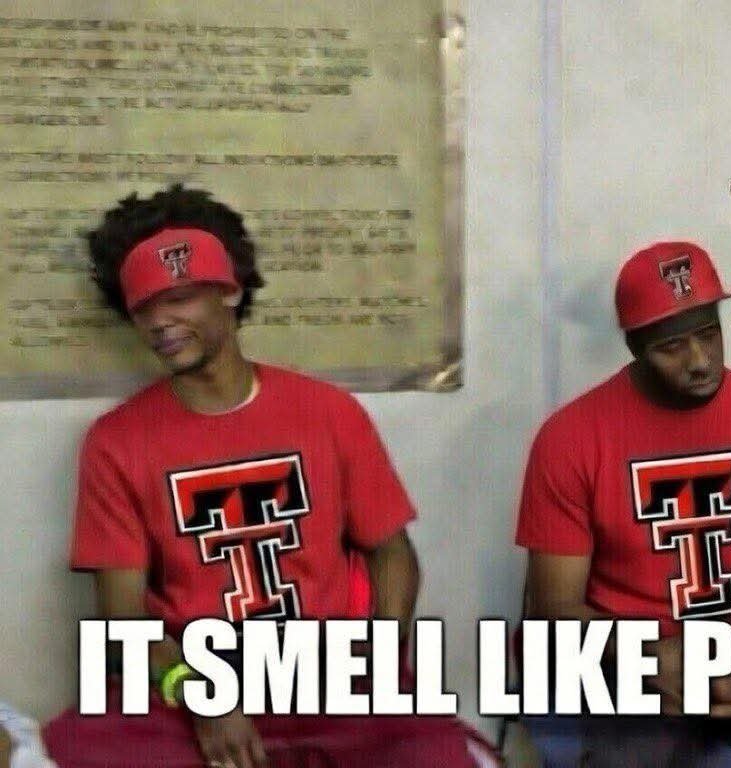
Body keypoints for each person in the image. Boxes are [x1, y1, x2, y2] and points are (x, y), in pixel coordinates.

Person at [42, 185, 485, 768]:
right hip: (198, 676)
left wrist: (379, 652)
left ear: (229, 291)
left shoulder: (328, 411)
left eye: (179, 298)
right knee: (70, 746)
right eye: (144, 308)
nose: (160, 322)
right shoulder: (116, 441)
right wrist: (202, 695)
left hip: (325, 666)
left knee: (439, 754)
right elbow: (124, 622)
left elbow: (392, 552)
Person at [514, 241, 731, 767]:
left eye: (709, 334)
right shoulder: (570, 439)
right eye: (672, 346)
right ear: (635, 347)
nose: (700, 361)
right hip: (629, 659)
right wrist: (649, 659)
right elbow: (555, 607)